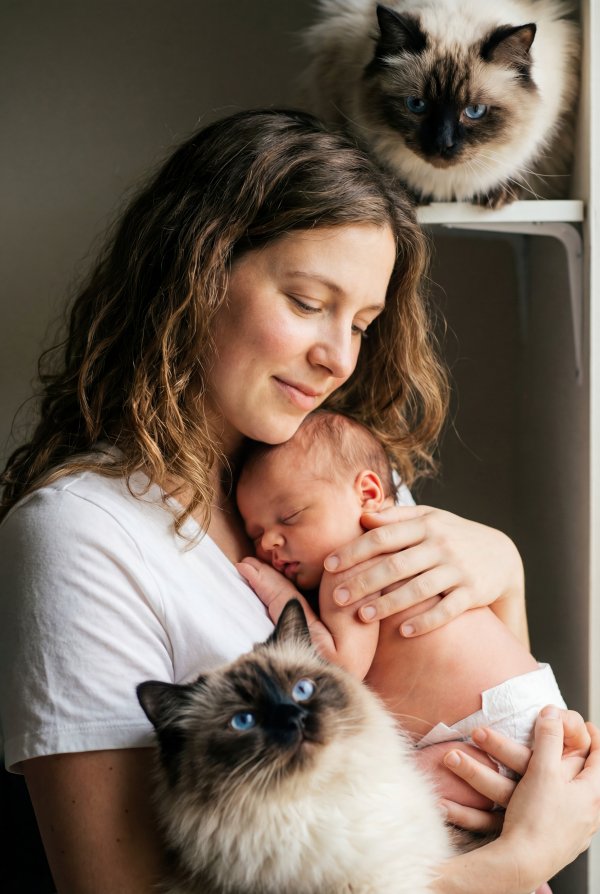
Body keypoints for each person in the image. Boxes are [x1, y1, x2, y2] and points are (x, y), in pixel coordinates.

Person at [0, 108, 598, 894]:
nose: (338, 358)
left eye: (362, 322)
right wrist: (513, 864)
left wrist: (505, 575)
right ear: (196, 271)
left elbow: (479, 720)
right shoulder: (81, 535)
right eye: (310, 302)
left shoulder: (318, 476)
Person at [235, 410, 568, 801]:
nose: (270, 542)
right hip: (526, 713)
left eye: (289, 517)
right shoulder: (415, 536)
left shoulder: (350, 566)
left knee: (381, 792)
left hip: (490, 732)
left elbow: (338, 669)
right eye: (256, 534)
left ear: (369, 495)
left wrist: (281, 597)